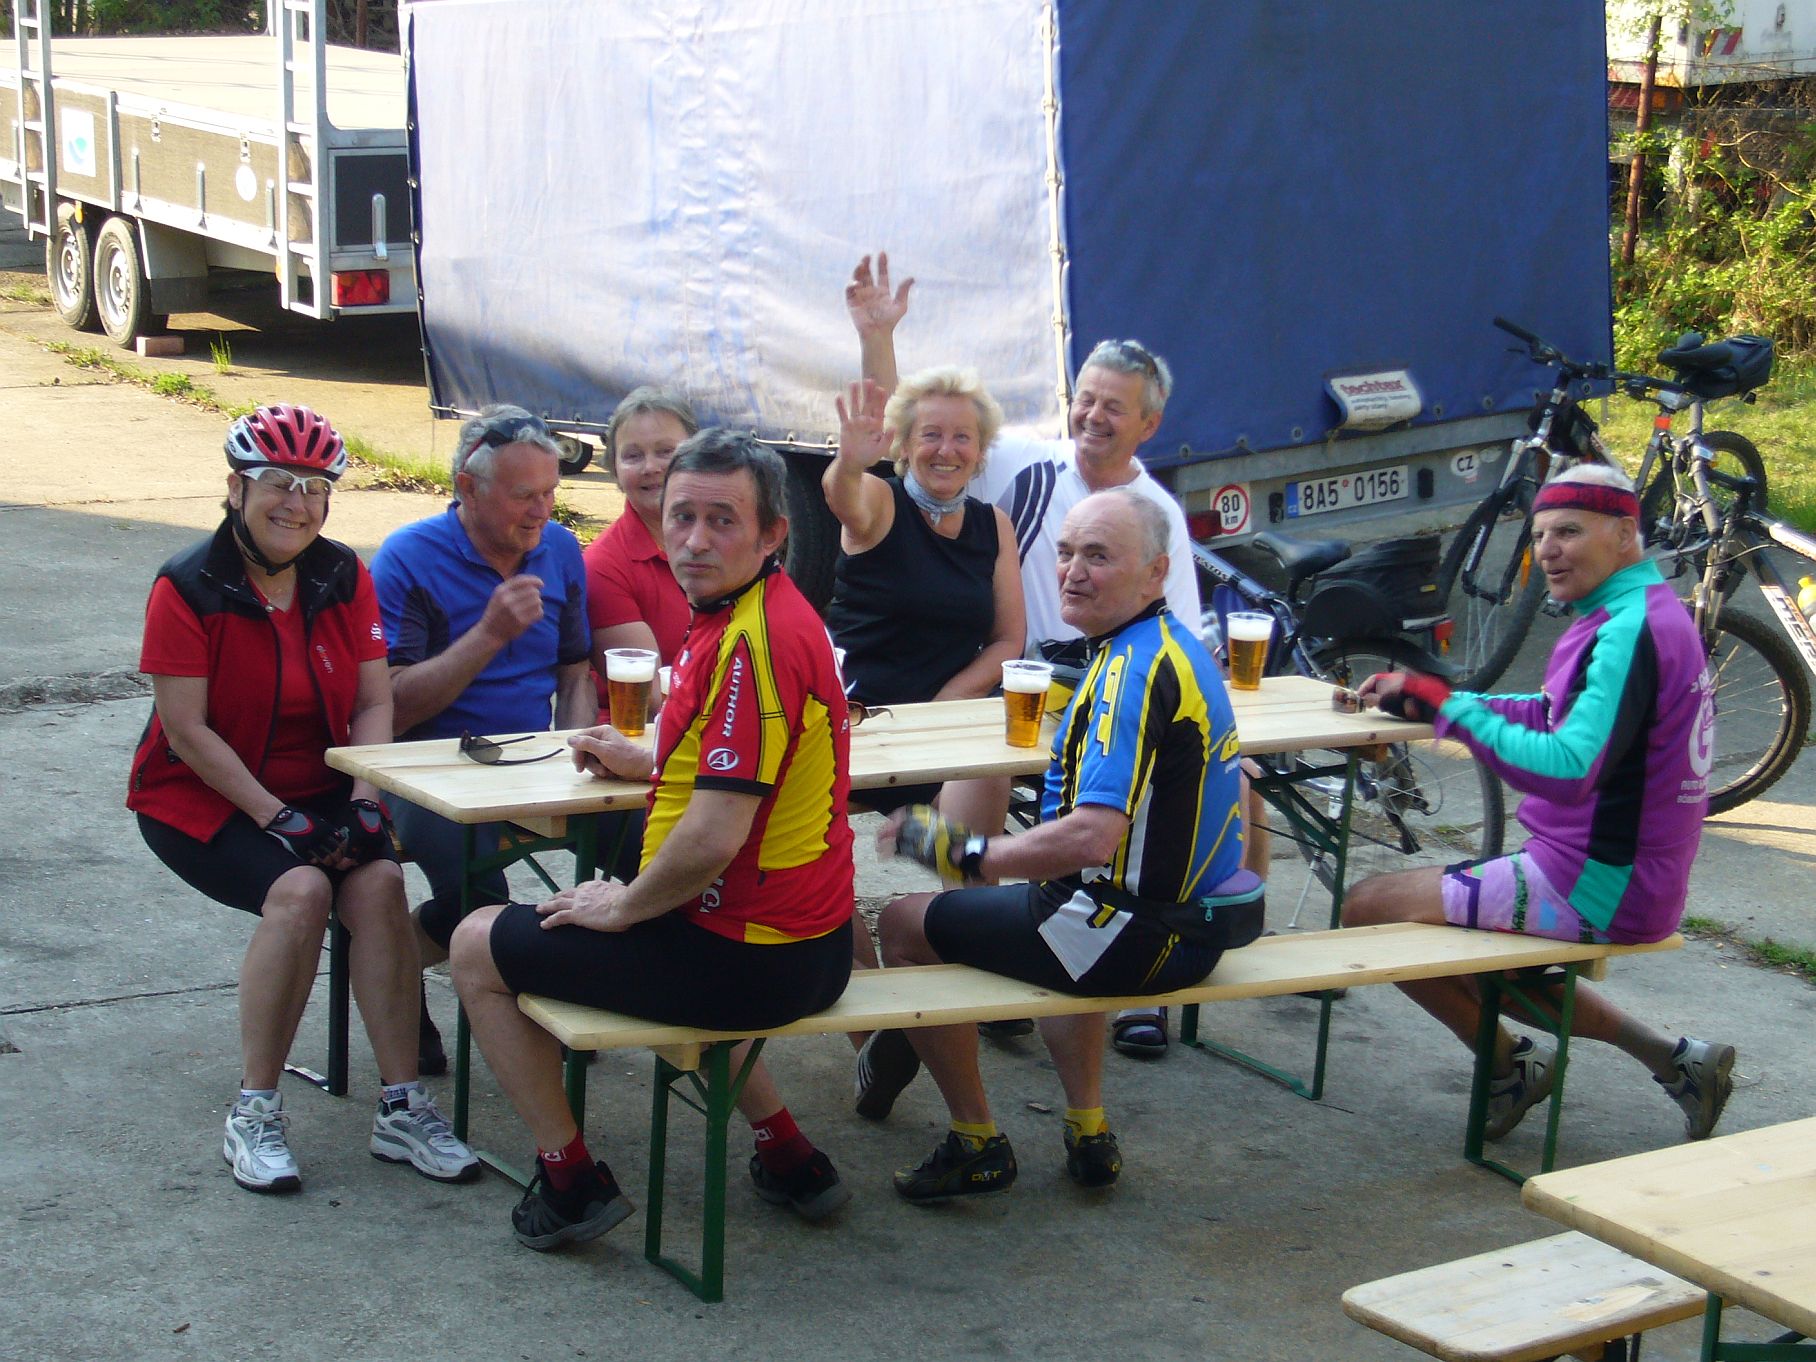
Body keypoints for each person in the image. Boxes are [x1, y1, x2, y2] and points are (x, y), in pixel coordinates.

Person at [451, 429, 857, 1249]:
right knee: (660, 929)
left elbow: (710, 839)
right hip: (808, 941)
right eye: (682, 517)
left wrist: (626, 905)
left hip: (751, 960)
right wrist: (650, 762)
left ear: (773, 534)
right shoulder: (760, 610)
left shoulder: (752, 645)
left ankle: (568, 1181)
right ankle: (789, 1155)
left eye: (723, 521)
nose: (696, 540)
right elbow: (750, 765)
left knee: (473, 944)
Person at [847, 252, 1257, 1057]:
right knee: (993, 770)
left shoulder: (1156, 525)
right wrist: (878, 339)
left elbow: (1098, 824)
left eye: (1115, 407)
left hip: (1096, 709)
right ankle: (991, 949)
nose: (1094, 416)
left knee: (1231, 778)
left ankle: (1131, 991)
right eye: (1086, 399)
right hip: (1029, 689)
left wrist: (967, 852)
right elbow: (918, 438)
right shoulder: (1025, 464)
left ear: (1149, 425)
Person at [863, 488, 1252, 1201]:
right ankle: (1087, 1129)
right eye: (1066, 553)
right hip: (1195, 924)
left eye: (1098, 556)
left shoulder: (1128, 675)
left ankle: (975, 1141)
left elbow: (1092, 837)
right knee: (1053, 905)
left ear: (1156, 571)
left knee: (902, 924)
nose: (1072, 571)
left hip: (1139, 937)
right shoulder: (1173, 647)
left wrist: (963, 851)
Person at [130, 405, 477, 1194]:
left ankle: (402, 1106)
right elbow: (186, 731)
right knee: (301, 893)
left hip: (320, 783)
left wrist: (365, 795)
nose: (297, 502)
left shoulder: (341, 575)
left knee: (380, 885)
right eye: (277, 483)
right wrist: (274, 816)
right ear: (236, 489)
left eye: (315, 487)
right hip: (200, 792)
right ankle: (253, 1111)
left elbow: (374, 701)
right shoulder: (188, 585)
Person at [1344, 463, 1736, 1143]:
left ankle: (1509, 1068)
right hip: (1630, 875)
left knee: (1366, 909)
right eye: (1539, 535)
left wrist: (1451, 714)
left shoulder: (1627, 631)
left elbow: (1568, 770)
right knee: (1478, 953)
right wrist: (1445, 701)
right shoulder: (1641, 611)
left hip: (1596, 883)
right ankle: (1678, 1062)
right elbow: (1557, 710)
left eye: (1569, 532)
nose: (1547, 551)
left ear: (1625, 533)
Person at [369, 405, 595, 1075]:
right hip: (426, 768)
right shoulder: (409, 557)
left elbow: (575, 671)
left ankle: (594, 990)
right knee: (478, 892)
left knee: (646, 847)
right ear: (468, 487)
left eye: (551, 492)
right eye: (525, 495)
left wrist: (578, 753)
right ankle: (403, 977)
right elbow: (393, 708)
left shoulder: (560, 549)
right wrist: (489, 634)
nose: (542, 511)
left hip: (532, 759)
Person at [823, 371, 1024, 821]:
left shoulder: (993, 525)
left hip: (942, 724)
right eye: (931, 435)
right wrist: (849, 464)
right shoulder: (880, 501)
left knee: (990, 775)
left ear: (980, 450)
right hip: (862, 721)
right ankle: (910, 830)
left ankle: (931, 847)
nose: (946, 450)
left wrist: (945, 707)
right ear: (904, 445)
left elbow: (1008, 640)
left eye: (962, 437)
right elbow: (842, 496)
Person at [582, 386, 698, 702]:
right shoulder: (603, 566)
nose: (651, 467)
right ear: (615, 469)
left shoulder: (725, 541)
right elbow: (651, 698)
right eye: (633, 456)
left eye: (666, 451)